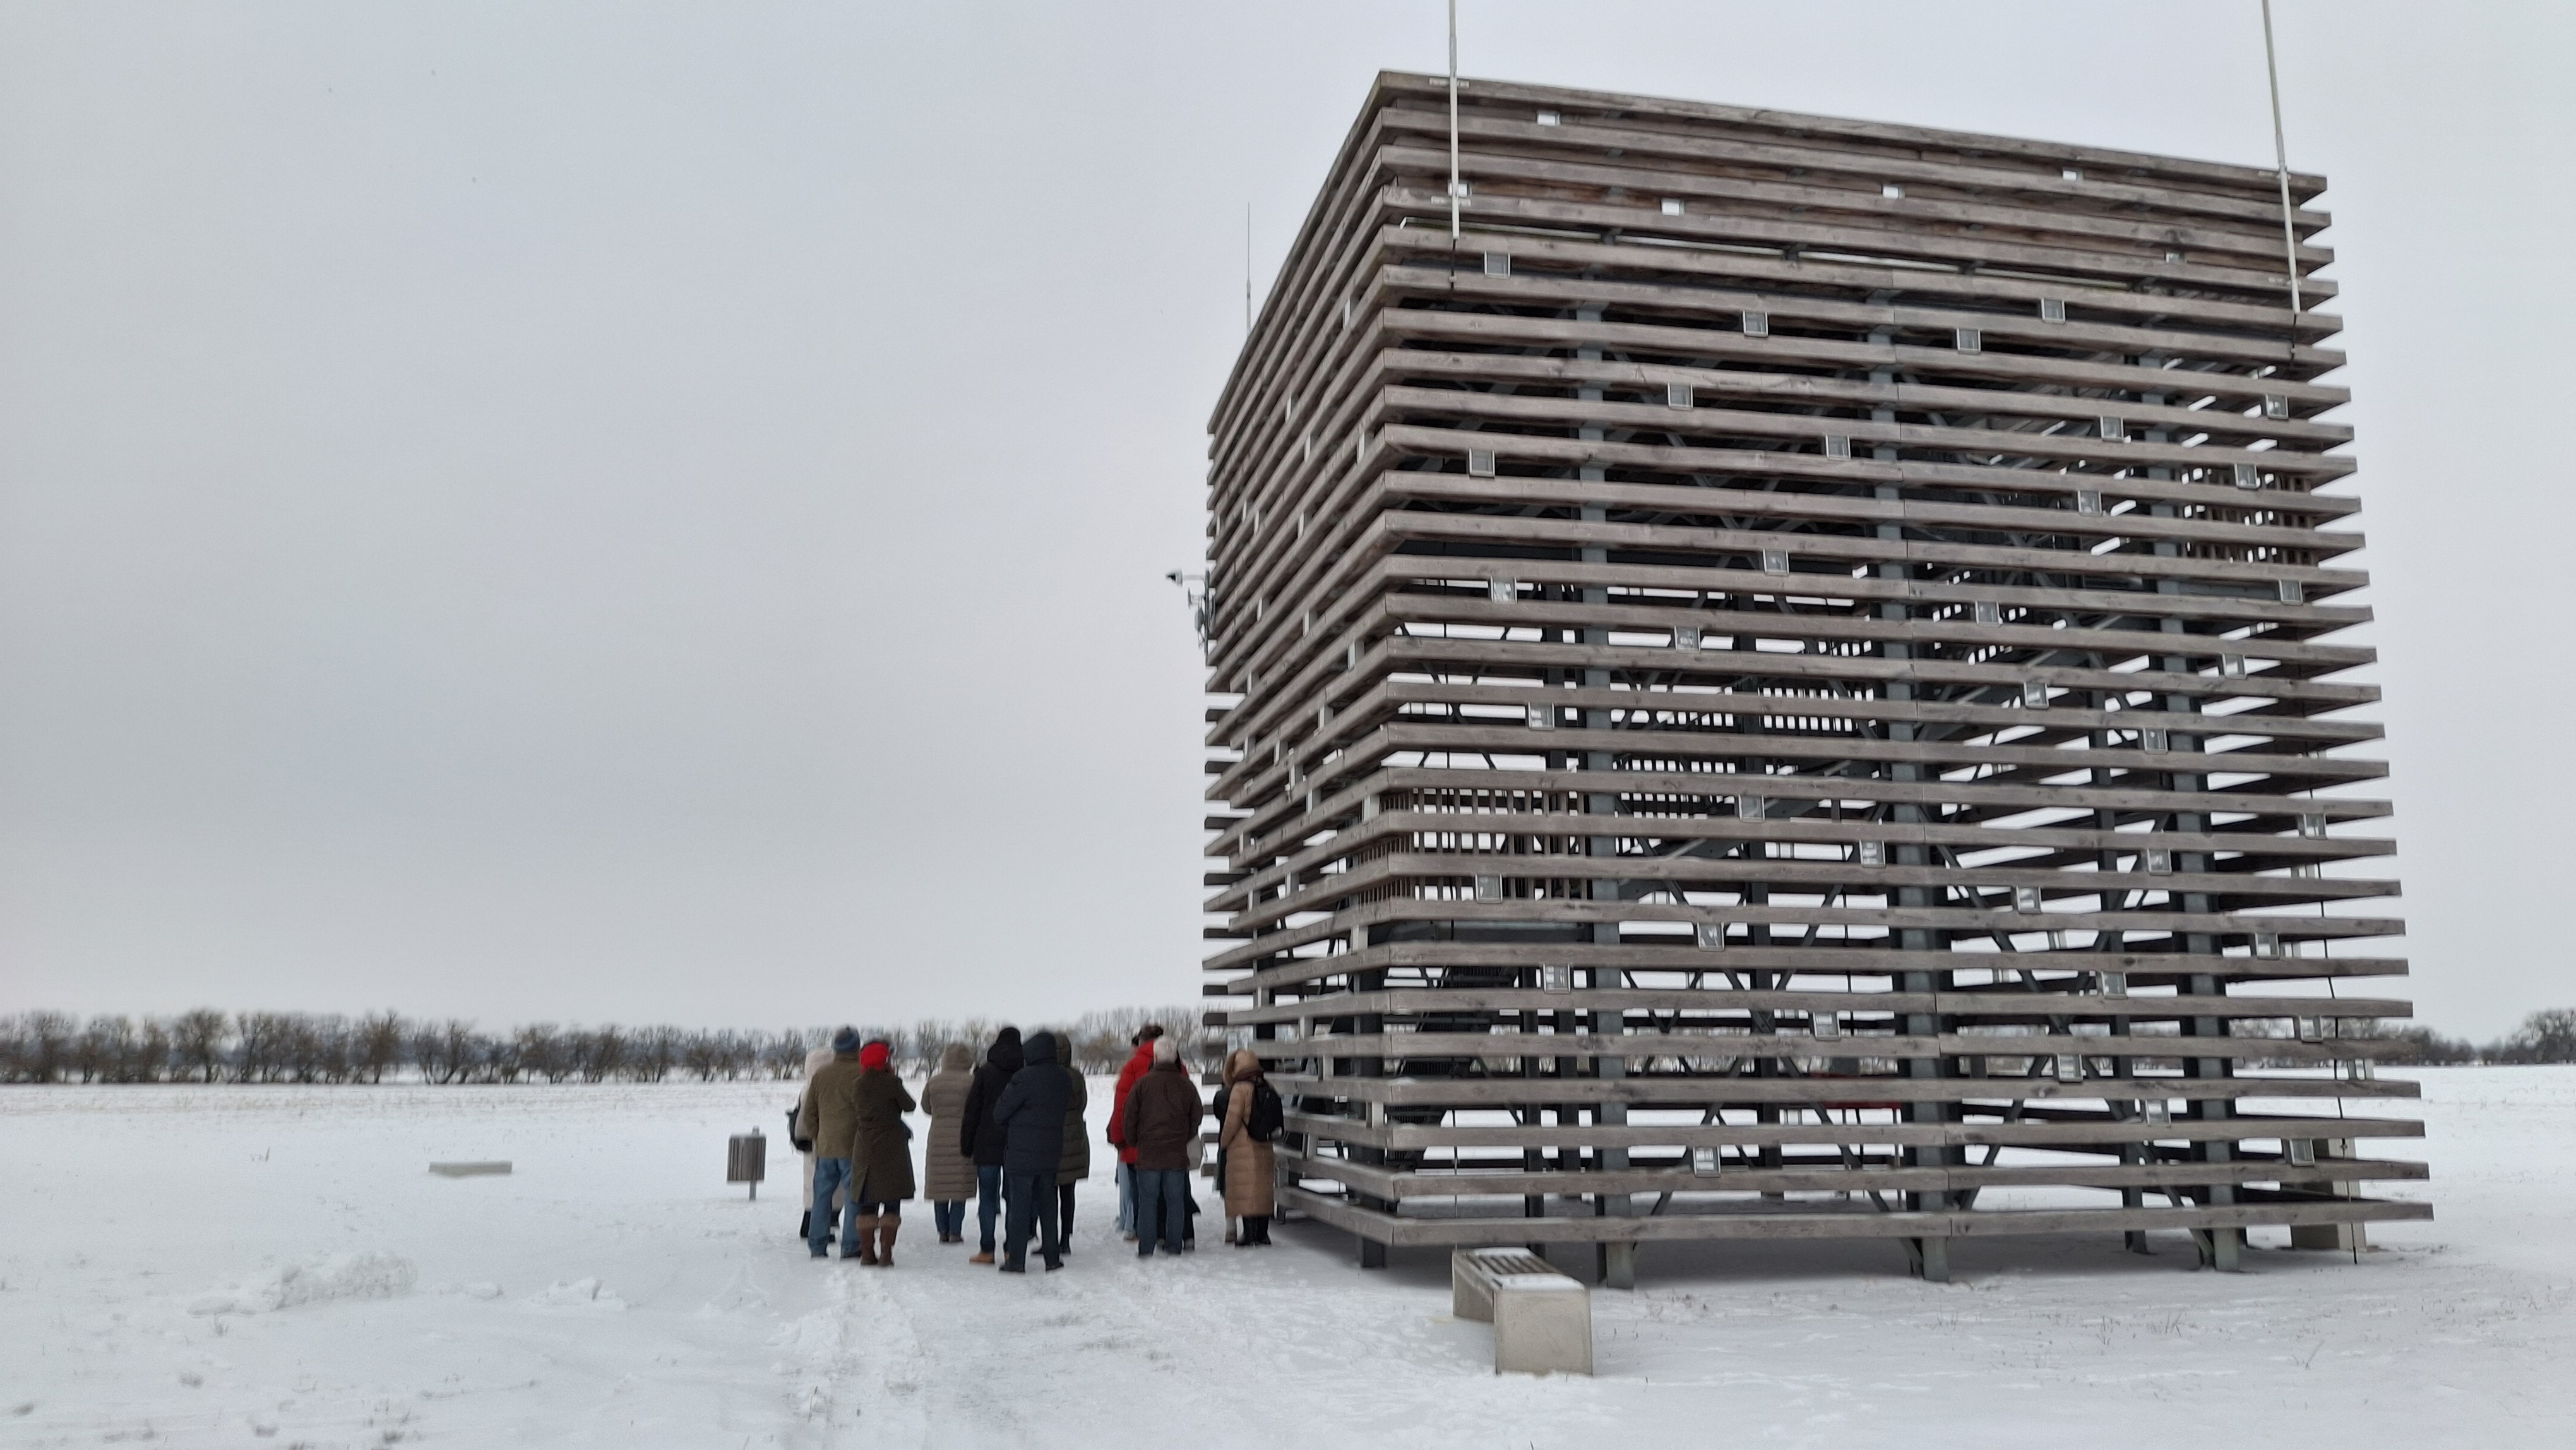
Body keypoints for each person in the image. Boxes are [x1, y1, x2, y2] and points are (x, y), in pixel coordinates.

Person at [991, 1030, 1071, 1273]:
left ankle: (1016, 1259)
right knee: (1048, 1204)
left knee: (1020, 1208)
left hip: (1022, 1153)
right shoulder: (1063, 1078)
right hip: (1051, 1150)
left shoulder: (1023, 1078)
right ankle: (1052, 1256)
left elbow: (1000, 1113)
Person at [1120, 1036, 1203, 1257]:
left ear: (1155, 1057)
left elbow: (1129, 1119)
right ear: (1176, 1057)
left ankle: (1146, 1247)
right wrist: (1185, 1136)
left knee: (1148, 1202)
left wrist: (1136, 1142)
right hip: (1176, 1153)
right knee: (1176, 1202)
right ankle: (1174, 1246)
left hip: (1149, 1154)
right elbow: (1196, 1116)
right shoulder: (1186, 1086)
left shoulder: (1142, 1085)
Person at [797, 1028, 868, 1260]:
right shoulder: (863, 1074)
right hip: (854, 1147)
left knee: (822, 1198)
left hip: (826, 1148)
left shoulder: (821, 1075)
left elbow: (809, 1114)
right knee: (853, 1196)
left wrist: (819, 1136)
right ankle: (851, 1245)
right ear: (857, 1047)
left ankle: (817, 1245)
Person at [847, 1039, 917, 1265]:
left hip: (865, 1147)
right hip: (892, 1148)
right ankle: (887, 1253)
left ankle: (867, 1253)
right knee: (891, 1200)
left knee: (867, 1202)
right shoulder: (891, 1083)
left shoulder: (857, 1085)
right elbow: (910, 1106)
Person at [958, 1027, 1022, 1265]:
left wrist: (967, 1144)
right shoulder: (1024, 1072)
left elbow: (972, 1111)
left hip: (986, 1144)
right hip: (1016, 1144)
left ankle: (986, 1249)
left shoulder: (984, 1073)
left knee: (987, 1198)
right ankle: (1011, 1249)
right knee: (1014, 1198)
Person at [1106, 1024, 1162, 1242]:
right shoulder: (1177, 1065)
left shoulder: (1132, 1067)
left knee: (1134, 1186)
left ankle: (1134, 1225)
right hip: (1168, 1140)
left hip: (1135, 1138)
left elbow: (1121, 1107)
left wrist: (1118, 1137)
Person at [919, 1042, 976, 1244]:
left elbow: (926, 1107)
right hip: (963, 1138)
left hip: (938, 1138)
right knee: (959, 1187)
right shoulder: (971, 1082)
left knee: (941, 1187)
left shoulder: (934, 1082)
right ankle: (955, 1231)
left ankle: (942, 1230)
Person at [1219, 1048, 1277, 1247]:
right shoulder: (1266, 1085)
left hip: (1243, 1146)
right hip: (1265, 1145)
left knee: (1244, 1190)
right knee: (1262, 1190)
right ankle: (1263, 1234)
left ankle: (1249, 1234)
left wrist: (1224, 1142)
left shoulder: (1240, 1088)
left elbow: (1232, 1121)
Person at [792, 1044, 849, 1247]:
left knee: (812, 1185)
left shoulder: (806, 1087)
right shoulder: (823, 1086)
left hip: (812, 1144)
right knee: (828, 1187)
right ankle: (815, 1228)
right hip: (824, 1142)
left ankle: (813, 1225)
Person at [1056, 1051, 1090, 1254]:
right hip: (1075, 1136)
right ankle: (1065, 1238)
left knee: (1049, 1193)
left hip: (1052, 1134)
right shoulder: (1077, 1076)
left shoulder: (1049, 1075)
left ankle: (1050, 1237)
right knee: (1068, 1193)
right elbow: (1083, 1103)